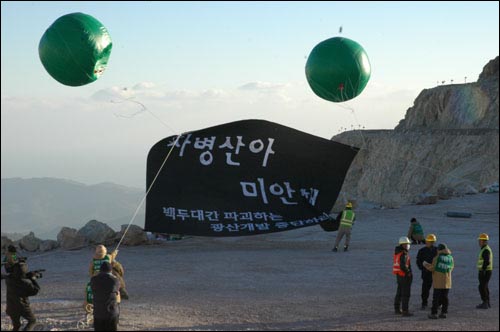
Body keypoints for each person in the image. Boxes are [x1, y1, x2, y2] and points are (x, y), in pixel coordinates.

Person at [5, 262, 41, 331]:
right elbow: (36, 290)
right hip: (22, 307)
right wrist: (33, 279)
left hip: (11, 307)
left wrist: (26, 276)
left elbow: (13, 276)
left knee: (17, 325)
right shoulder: (25, 283)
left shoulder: (8, 280)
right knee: (32, 321)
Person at [424, 243, 454, 319]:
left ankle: (434, 313)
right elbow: (451, 268)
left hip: (438, 281)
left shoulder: (437, 258)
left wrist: (426, 264)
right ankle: (444, 312)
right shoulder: (450, 257)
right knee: (445, 297)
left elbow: (432, 268)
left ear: (439, 250)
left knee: (436, 298)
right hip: (447, 281)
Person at [90, 261, 120, 331]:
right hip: (111, 314)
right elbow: (117, 291)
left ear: (100, 270)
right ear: (111, 270)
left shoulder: (94, 279)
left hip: (98, 313)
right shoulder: (114, 280)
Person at [392, 236, 413, 317]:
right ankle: (405, 311)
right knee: (405, 294)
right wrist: (408, 273)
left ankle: (397, 309)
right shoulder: (403, 253)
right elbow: (403, 265)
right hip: (404, 276)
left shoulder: (397, 252)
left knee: (399, 293)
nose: (408, 245)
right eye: (406, 244)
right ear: (402, 245)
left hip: (399, 275)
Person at [417, 234, 438, 310]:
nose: (431, 243)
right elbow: (418, 261)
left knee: (437, 290)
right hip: (426, 273)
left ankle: (437, 304)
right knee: (425, 289)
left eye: (432, 242)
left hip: (436, 273)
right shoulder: (422, 251)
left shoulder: (437, 250)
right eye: (429, 241)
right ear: (426, 241)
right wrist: (423, 269)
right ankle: (424, 303)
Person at [476, 233, 493, 309]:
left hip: (485, 271)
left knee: (482, 287)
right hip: (487, 271)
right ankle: (487, 302)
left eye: (480, 241)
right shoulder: (485, 249)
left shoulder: (486, 250)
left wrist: (483, 270)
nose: (479, 242)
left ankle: (485, 302)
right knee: (484, 286)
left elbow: (487, 261)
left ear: (484, 241)